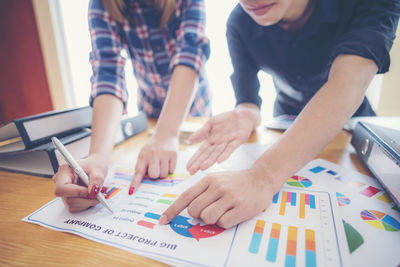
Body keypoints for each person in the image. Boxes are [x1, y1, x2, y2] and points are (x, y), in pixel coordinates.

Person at [158, 0, 400, 228]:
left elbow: (350, 81)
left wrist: (263, 175)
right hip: (284, 120)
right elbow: (248, 99)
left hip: (352, 130)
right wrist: (247, 113)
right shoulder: (238, 21)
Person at [53, 0, 210, 212]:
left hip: (194, 112)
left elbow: (190, 53)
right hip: (150, 111)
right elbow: (108, 72)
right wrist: (98, 157)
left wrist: (165, 134)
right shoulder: (102, 4)